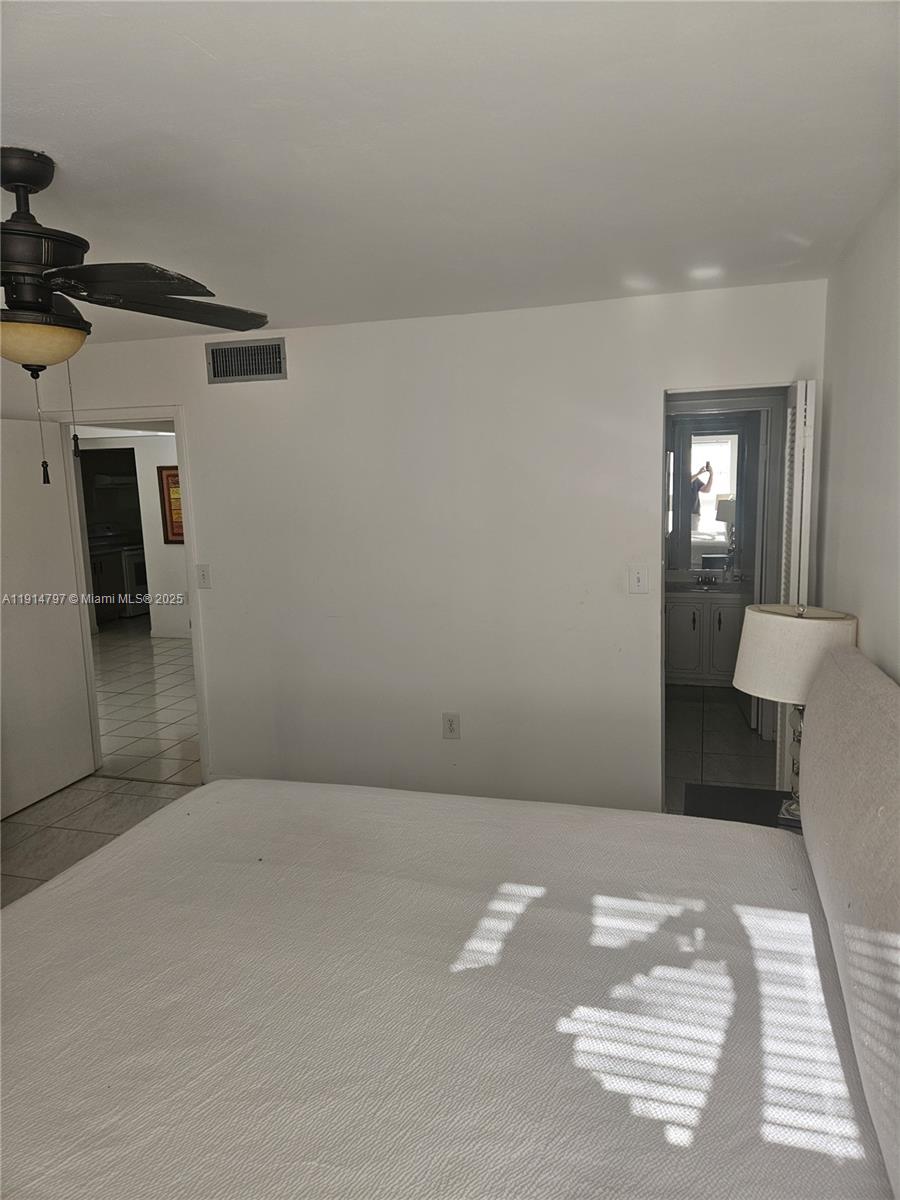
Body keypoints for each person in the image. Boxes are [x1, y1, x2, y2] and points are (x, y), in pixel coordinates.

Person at [690, 462, 713, 531]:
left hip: (694, 513)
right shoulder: (681, 479)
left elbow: (707, 490)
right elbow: (685, 483)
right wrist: (699, 473)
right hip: (683, 513)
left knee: (694, 536)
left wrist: (711, 475)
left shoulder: (696, 479)